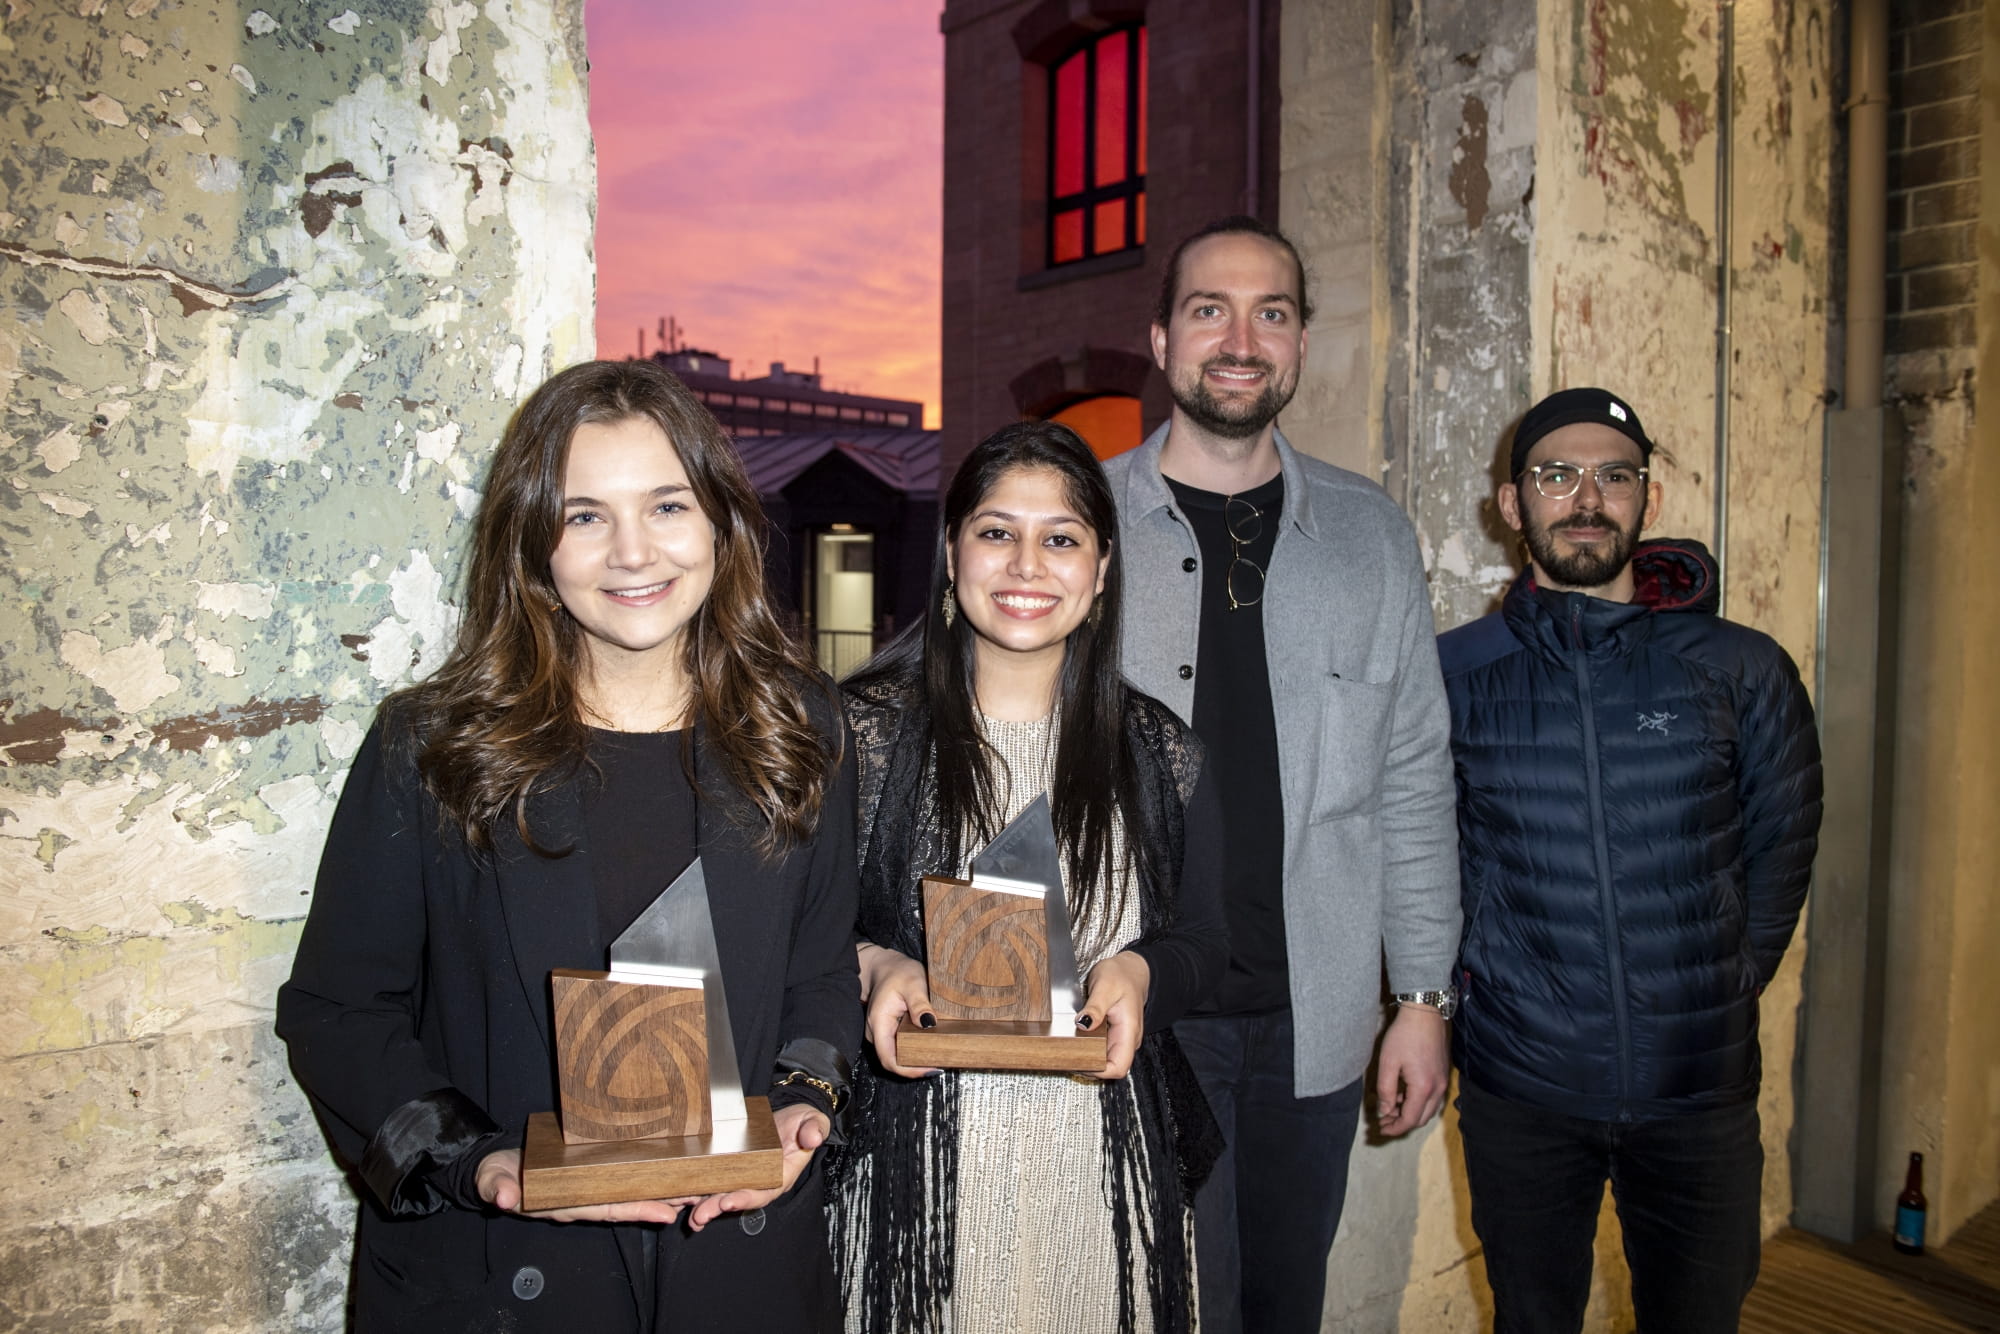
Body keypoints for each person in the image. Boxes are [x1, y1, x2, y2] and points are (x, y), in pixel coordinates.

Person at [276, 359, 861, 1333]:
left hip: (742, 1275)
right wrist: (479, 1161)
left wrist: (805, 1094)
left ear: (719, 520)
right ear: (533, 541)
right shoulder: (431, 745)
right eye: (585, 514)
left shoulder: (802, 726)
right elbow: (338, 1011)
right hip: (502, 1278)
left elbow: (819, 972)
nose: (633, 551)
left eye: (666, 504)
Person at [1102, 215, 1461, 1334]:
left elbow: (1411, 780)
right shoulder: (1072, 521)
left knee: (1279, 1307)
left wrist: (1421, 996)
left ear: (1301, 344)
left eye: (1272, 312)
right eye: (1209, 309)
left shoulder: (1370, 536)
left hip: (1313, 1019)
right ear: (1161, 340)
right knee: (1154, 1303)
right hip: (1135, 1008)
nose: (1239, 337)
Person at [1437, 386, 1823, 1333]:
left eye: (1615, 476)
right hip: (1521, 1087)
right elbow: (1420, 857)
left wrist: (1723, 986)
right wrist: (1458, 1004)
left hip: (1697, 1090)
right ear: (1510, 503)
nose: (1587, 498)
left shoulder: (1740, 668)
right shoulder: (1453, 674)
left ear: (1648, 501)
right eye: (1557, 475)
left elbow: (1784, 844)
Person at [830, 421, 1228, 1334]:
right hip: (913, 1178)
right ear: (951, 551)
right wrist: (876, 966)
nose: (1026, 565)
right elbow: (789, 937)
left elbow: (1210, 940)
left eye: (1061, 539)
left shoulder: (1158, 751)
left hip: (1101, 1171)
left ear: (1101, 570)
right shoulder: (859, 736)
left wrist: (1141, 973)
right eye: (996, 531)